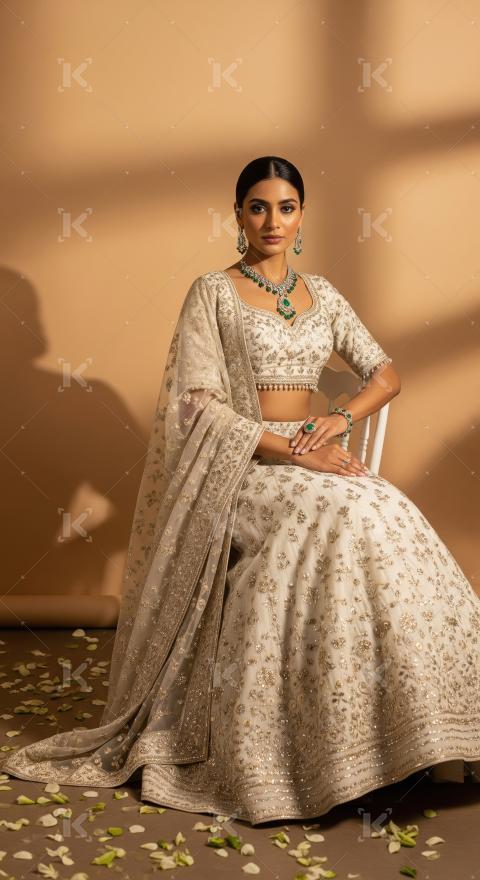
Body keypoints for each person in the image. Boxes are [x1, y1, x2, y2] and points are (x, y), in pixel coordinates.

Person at [2, 156, 480, 827]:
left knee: (381, 507)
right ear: (238, 216)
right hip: (246, 467)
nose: (272, 221)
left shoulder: (324, 295)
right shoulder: (214, 293)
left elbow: (386, 373)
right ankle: (310, 746)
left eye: (286, 207)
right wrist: (286, 447)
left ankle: (412, 725)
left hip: (312, 458)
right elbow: (197, 407)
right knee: (340, 514)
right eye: (258, 207)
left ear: (301, 215)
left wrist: (337, 420)